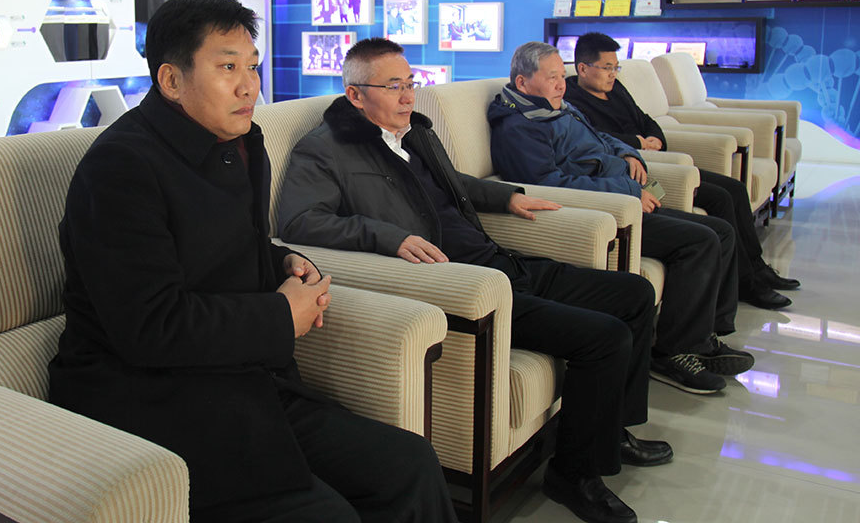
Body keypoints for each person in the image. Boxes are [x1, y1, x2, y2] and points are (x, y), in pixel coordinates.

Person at [48, 0, 457, 523]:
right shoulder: (120, 167)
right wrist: (281, 316)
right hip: (152, 396)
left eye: (253, 67)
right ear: (171, 80)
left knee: (409, 463)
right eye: (227, 68)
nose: (249, 86)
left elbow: (220, 242)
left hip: (243, 378)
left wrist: (280, 261)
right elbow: (149, 325)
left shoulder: (239, 141)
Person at [279, 36, 674, 523]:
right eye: (393, 86)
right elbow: (299, 222)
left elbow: (453, 183)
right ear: (356, 94)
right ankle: (574, 476)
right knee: (606, 337)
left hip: (499, 259)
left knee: (634, 294)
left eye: (411, 83)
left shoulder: (415, 133)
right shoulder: (325, 149)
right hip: (468, 284)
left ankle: (611, 432)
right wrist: (388, 237)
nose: (408, 96)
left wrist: (506, 196)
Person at [489, 41, 756, 397]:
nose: (561, 84)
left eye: (561, 76)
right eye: (552, 77)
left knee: (720, 230)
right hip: (608, 207)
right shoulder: (520, 126)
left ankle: (704, 338)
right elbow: (549, 184)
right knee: (700, 241)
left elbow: (601, 138)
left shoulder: (557, 107)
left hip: (626, 189)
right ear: (523, 83)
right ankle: (673, 353)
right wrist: (626, 190)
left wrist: (630, 154)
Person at [565, 32, 799, 309]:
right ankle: (746, 283)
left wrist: (655, 137)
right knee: (720, 198)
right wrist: (638, 143)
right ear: (583, 68)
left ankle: (756, 268)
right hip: (642, 172)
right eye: (607, 68)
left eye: (616, 67)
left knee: (734, 189)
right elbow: (596, 138)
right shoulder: (572, 100)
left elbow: (645, 119)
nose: (613, 74)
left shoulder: (616, 88)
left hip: (656, 158)